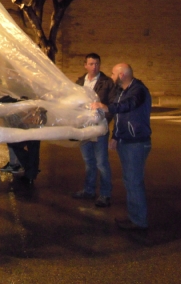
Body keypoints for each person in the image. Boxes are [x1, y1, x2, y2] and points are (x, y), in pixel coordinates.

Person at [92, 63, 152, 230]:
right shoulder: (122, 92)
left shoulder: (138, 90)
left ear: (121, 75)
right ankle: (134, 217)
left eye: (113, 74)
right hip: (126, 141)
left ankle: (139, 221)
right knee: (130, 180)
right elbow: (120, 117)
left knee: (134, 182)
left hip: (137, 143)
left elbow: (129, 105)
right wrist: (116, 137)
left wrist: (107, 107)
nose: (111, 77)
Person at [72, 53, 115, 207]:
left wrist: (104, 122)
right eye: (91, 64)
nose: (94, 66)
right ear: (85, 65)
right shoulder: (79, 82)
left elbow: (111, 105)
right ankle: (89, 190)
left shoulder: (107, 83)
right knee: (88, 161)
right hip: (84, 127)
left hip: (99, 128)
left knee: (102, 162)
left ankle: (105, 194)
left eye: (97, 63)